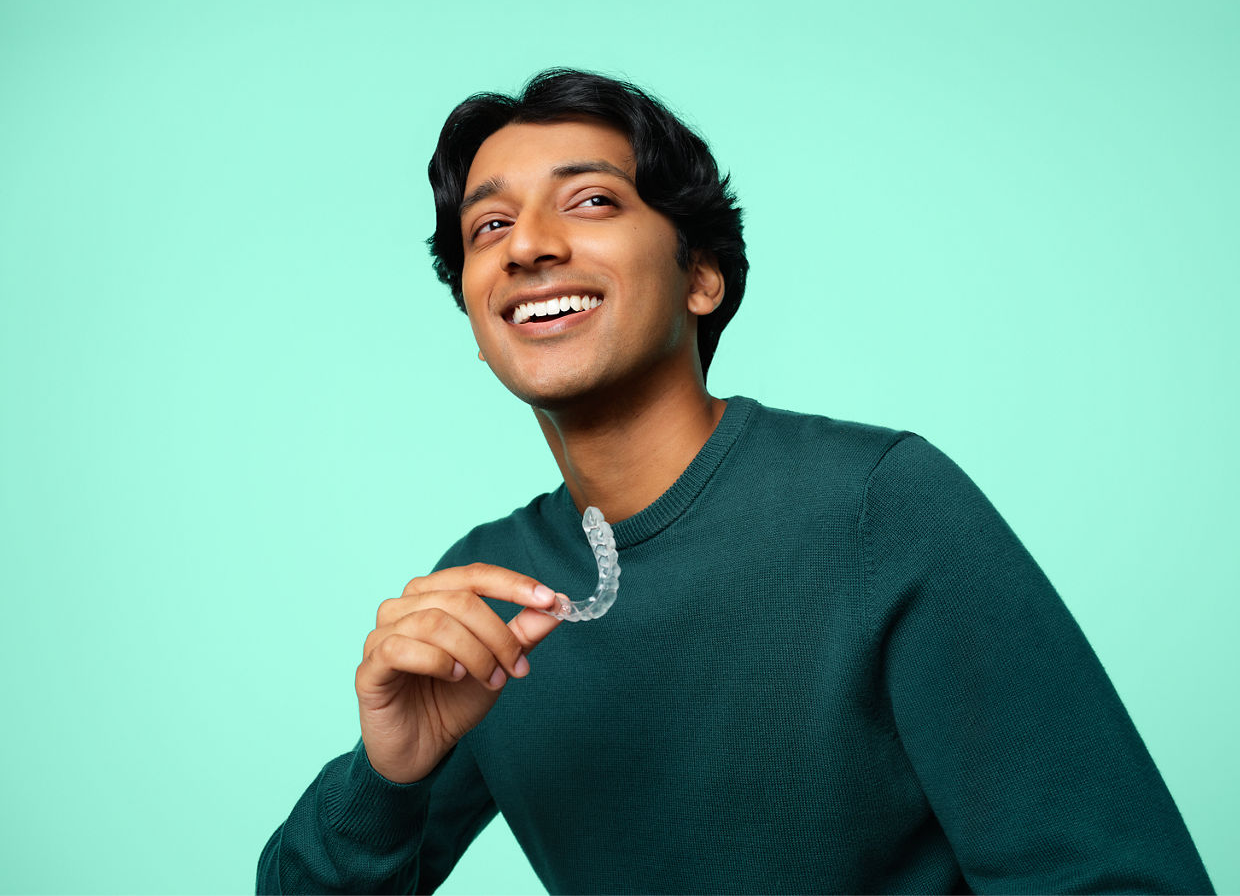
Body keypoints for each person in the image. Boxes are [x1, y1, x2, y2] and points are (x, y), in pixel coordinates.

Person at [257, 69, 1213, 894]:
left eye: (590, 201)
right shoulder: (486, 591)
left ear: (702, 276)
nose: (528, 245)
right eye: (489, 225)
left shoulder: (882, 504)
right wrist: (384, 782)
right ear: (478, 319)